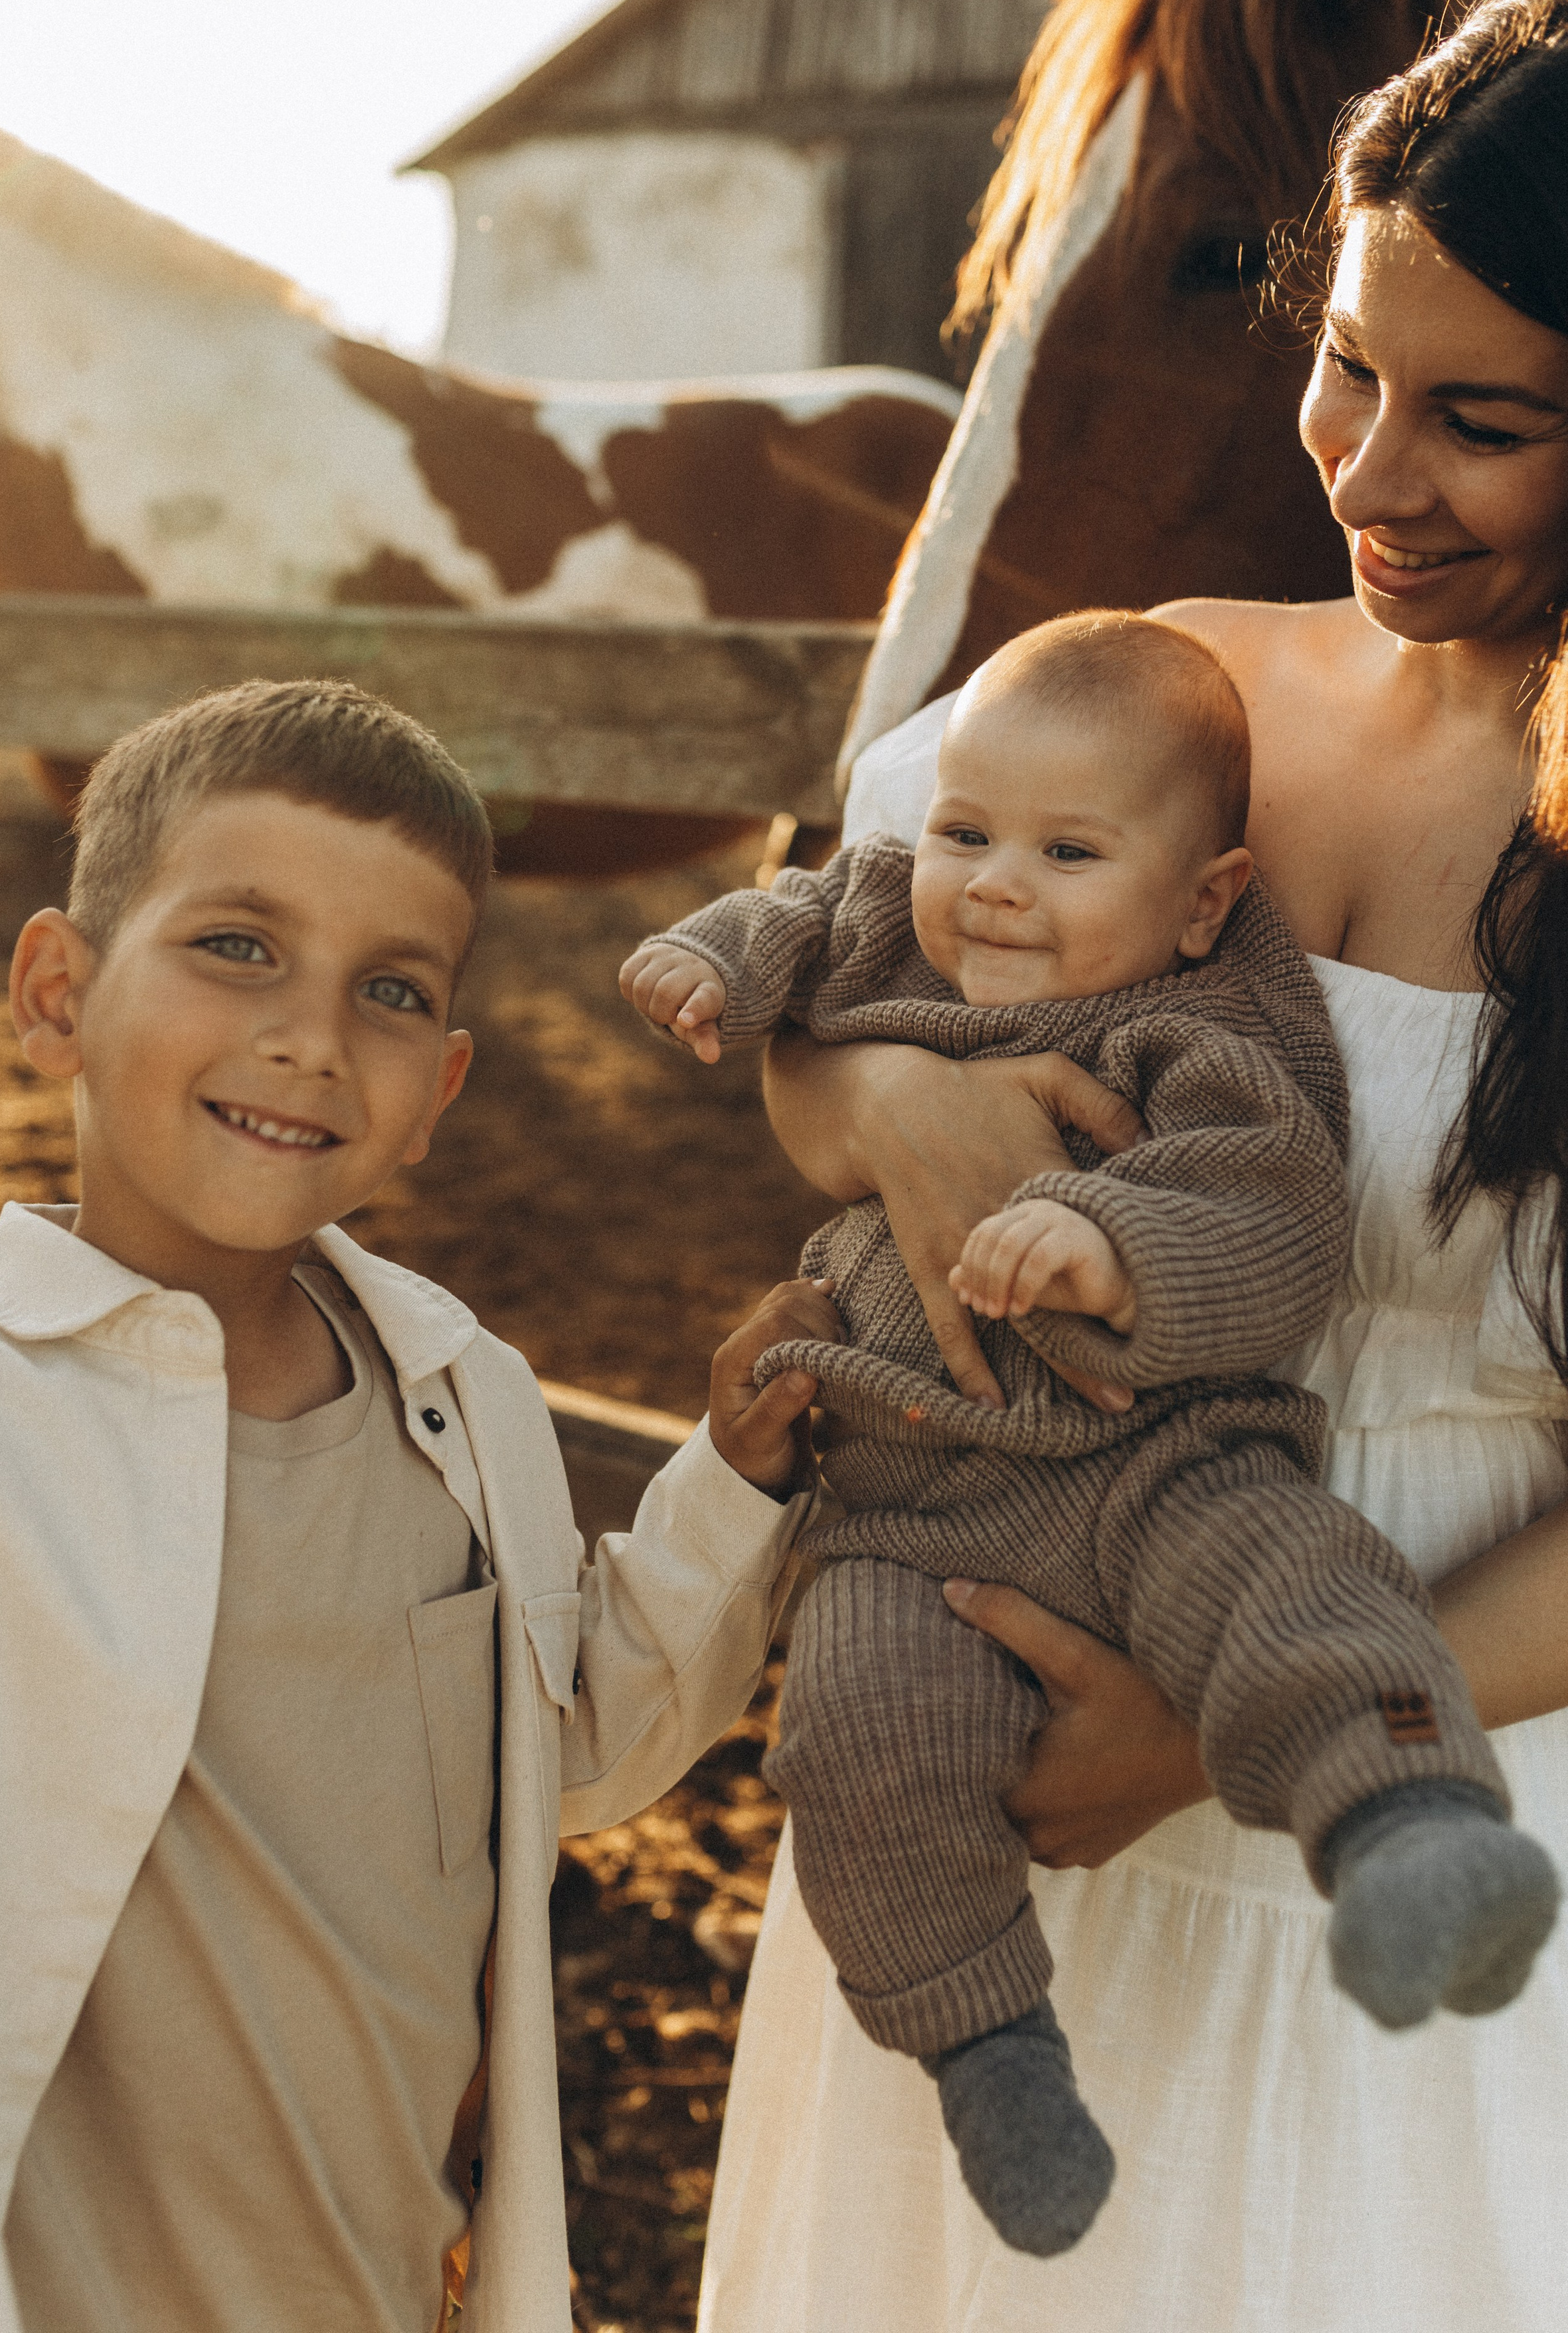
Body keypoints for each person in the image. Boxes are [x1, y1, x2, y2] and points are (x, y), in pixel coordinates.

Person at [698, 0, 1568, 2333]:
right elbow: (835, 1015)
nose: (1368, 473)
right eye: (1348, 368)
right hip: (994, 1702)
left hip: (1432, 1739)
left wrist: (1203, 1739)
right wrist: (888, 1102)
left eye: (1483, 422)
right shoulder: (1173, 690)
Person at [0, 676, 833, 2333]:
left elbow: (557, 1741)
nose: (312, 1037)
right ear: (56, 994)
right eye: (236, 945)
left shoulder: (463, 1405)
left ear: (440, 1087)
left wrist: (732, 1486)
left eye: (387, 990)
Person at [624, 611, 1553, 2259]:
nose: (993, 884)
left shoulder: (1194, 1025)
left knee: (1300, 1596)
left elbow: (1268, 1213)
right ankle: (981, 2049)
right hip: (915, 1502)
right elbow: (803, 935)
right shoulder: (1090, 720)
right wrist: (769, 1010)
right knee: (854, 1739)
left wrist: (1115, 1250)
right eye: (967, 837)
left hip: (1171, 1466)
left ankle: (1403, 1822)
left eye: (1061, 855)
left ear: (1203, 899)